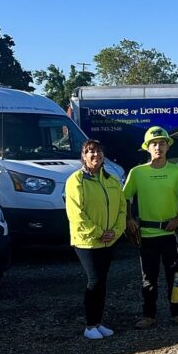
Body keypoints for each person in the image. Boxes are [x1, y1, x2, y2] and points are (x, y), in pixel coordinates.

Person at [124, 126, 178, 329]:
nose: (158, 147)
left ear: (168, 147)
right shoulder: (137, 173)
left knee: (176, 276)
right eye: (154, 144)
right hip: (147, 234)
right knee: (149, 277)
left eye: (162, 143)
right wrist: (130, 219)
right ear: (147, 147)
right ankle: (149, 315)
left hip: (171, 233)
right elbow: (125, 197)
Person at [65, 139, 127, 340]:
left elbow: (121, 208)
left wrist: (115, 231)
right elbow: (76, 214)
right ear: (83, 156)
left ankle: (98, 322)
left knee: (102, 282)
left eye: (99, 152)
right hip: (87, 241)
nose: (95, 155)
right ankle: (90, 325)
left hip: (108, 240)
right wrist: (99, 232)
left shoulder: (112, 180)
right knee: (94, 280)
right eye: (90, 152)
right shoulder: (75, 180)